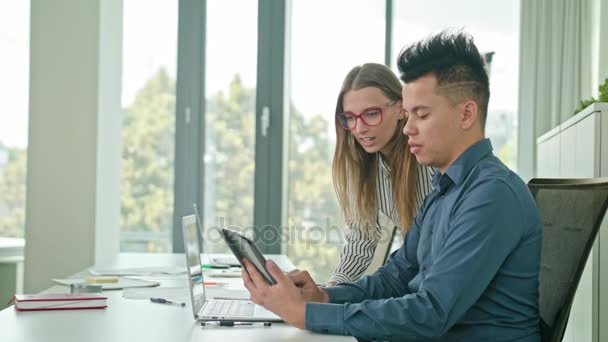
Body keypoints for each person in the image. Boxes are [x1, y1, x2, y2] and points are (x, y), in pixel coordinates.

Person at [241, 31, 542, 341]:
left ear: (466, 114)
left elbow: (431, 312)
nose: (408, 128)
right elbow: (394, 278)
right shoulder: (444, 189)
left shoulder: (491, 195)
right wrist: (323, 297)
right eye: (408, 114)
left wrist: (307, 314)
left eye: (421, 115)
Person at [329, 63, 434, 286]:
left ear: (400, 108)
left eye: (371, 114)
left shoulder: (427, 159)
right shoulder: (366, 164)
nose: (359, 128)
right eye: (350, 117)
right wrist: (331, 289)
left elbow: (436, 250)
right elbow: (362, 240)